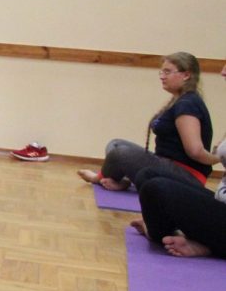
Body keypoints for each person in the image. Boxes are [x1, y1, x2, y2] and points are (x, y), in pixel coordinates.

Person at [129, 60, 226, 258]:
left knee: (155, 188)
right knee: (148, 175)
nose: (223, 72)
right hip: (220, 201)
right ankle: (203, 241)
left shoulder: (188, 104)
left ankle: (209, 245)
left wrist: (214, 159)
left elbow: (196, 151)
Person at [77, 52, 216, 191]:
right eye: (162, 72)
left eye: (167, 72)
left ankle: (98, 178)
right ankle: (124, 181)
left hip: (187, 175)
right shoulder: (182, 100)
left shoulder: (187, 105)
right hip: (167, 165)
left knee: (119, 153)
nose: (162, 76)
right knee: (115, 144)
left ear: (186, 75)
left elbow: (195, 151)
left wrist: (218, 158)